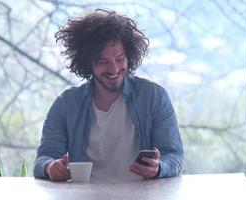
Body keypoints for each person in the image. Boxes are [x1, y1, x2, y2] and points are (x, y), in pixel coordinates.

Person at [34, 9, 184, 181]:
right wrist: (50, 168)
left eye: (120, 59)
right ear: (88, 63)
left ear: (129, 56)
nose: (114, 69)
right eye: (102, 62)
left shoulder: (153, 97)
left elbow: (174, 156)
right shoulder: (66, 104)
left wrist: (159, 168)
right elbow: (43, 159)